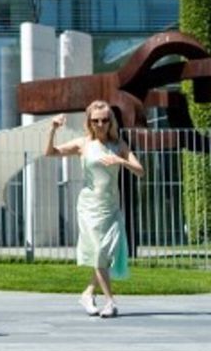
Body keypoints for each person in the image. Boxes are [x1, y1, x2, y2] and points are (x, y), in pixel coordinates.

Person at [45, 100, 143, 318]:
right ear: (89, 122)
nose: (100, 124)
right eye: (95, 120)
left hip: (111, 206)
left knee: (105, 255)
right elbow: (50, 152)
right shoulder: (83, 144)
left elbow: (140, 170)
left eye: (105, 120)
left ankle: (88, 293)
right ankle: (110, 301)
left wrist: (121, 160)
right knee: (99, 252)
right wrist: (53, 129)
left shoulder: (119, 145)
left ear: (111, 121)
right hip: (89, 207)